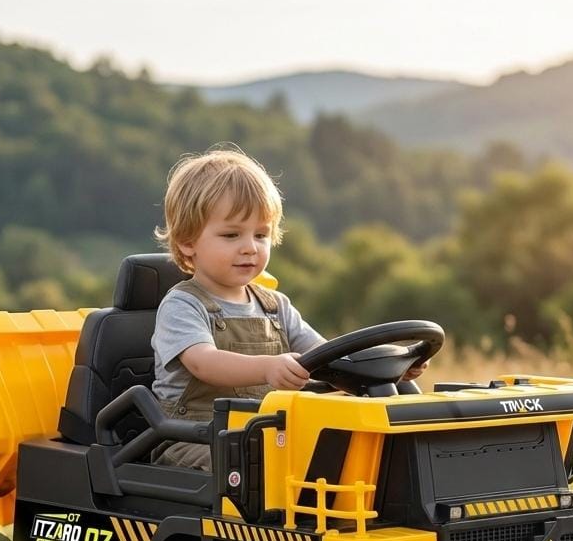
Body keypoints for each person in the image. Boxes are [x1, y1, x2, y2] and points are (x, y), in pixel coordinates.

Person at [151, 146, 424, 470]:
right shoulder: (182, 305)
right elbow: (204, 363)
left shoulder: (275, 307)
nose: (250, 247)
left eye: (261, 235)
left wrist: (389, 367)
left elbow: (329, 356)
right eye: (231, 235)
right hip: (198, 440)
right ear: (187, 241)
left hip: (267, 434)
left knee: (352, 443)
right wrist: (268, 367)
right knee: (264, 464)